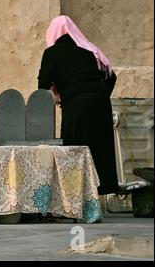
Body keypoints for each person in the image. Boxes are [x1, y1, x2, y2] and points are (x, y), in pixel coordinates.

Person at [37, 15, 119, 196]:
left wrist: (57, 95)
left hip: (76, 104)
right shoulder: (89, 50)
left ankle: (75, 198)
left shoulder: (52, 52)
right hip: (100, 103)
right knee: (99, 149)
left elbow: (43, 84)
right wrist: (100, 94)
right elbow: (112, 76)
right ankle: (98, 196)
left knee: (74, 150)